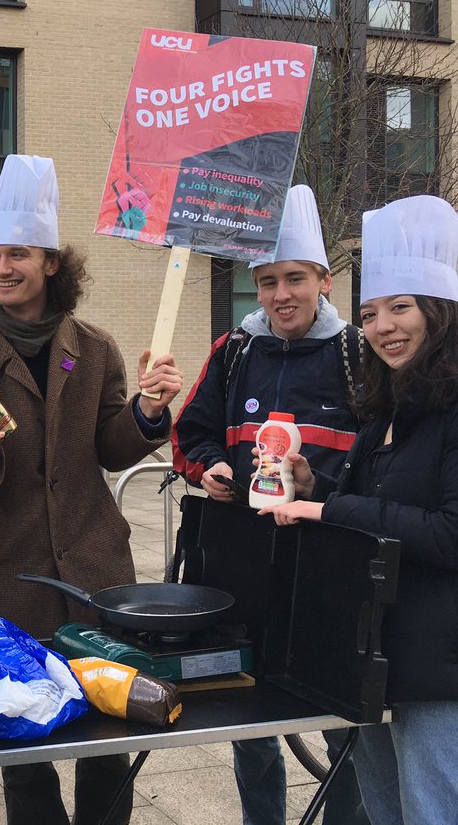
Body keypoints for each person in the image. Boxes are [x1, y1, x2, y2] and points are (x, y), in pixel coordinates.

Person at [0, 154, 184, 825]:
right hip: (4, 580)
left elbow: (111, 447)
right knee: (25, 750)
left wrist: (150, 413)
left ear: (50, 263)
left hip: (95, 571)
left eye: (18, 253)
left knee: (109, 742)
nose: (2, 267)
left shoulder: (93, 349)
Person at [171, 184, 368, 825]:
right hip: (244, 564)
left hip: (328, 564)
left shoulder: (360, 359)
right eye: (267, 281)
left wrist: (322, 489)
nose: (282, 295)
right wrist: (212, 469)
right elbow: (189, 434)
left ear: (325, 281)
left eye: (295, 279)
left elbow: (382, 466)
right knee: (247, 716)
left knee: (340, 719)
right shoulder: (235, 353)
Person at [261, 194, 458, 825]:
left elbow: (450, 534)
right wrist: (312, 485)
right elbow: (375, 503)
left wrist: (329, 512)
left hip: (442, 665)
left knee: (432, 810)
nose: (383, 328)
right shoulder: (392, 407)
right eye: (370, 313)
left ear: (441, 312)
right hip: (378, 651)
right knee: (383, 810)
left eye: (401, 308)